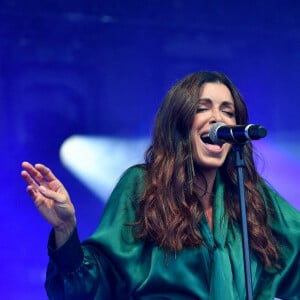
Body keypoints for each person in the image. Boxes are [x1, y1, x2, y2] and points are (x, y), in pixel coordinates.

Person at [21, 71, 300, 300]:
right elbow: (93, 286)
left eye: (228, 112)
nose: (218, 119)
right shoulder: (143, 186)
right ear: (179, 124)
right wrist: (65, 229)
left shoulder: (250, 196)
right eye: (202, 108)